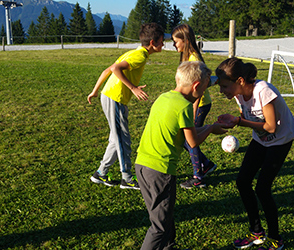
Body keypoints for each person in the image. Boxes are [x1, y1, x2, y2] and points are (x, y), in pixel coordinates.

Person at [135, 61, 227, 250]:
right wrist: (210, 128)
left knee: (164, 214)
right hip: (160, 171)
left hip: (142, 165)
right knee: (159, 226)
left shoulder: (164, 98)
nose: (203, 94)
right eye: (203, 89)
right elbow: (193, 142)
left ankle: (170, 247)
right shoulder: (184, 106)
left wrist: (209, 128)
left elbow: (186, 132)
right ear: (195, 86)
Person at [215, 58, 294, 250]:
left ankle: (276, 239)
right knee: (242, 181)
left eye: (225, 86)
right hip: (261, 140)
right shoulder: (238, 93)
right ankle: (256, 232)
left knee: (262, 188)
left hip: (280, 140)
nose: (222, 91)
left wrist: (238, 122)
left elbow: (269, 126)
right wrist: (234, 120)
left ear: (241, 81)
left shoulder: (263, 90)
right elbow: (249, 115)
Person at [87, 23, 165, 190]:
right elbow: (115, 69)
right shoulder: (140, 56)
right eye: (161, 41)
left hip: (110, 97)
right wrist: (133, 88)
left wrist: (95, 91)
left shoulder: (133, 52)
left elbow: (107, 70)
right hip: (115, 98)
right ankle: (127, 178)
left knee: (115, 139)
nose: (163, 44)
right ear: (152, 42)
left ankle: (100, 173)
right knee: (123, 139)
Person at [171, 24, 217, 189]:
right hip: (194, 104)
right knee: (186, 139)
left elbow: (199, 88)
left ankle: (198, 176)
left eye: (176, 41)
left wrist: (193, 109)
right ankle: (206, 165)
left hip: (199, 105)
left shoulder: (193, 59)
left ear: (185, 40)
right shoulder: (189, 56)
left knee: (190, 140)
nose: (174, 45)